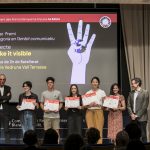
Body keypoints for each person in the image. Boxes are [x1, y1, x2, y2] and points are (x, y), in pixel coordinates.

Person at [127, 77, 149, 142]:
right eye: (132, 84)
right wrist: (131, 114)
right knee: (133, 136)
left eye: (133, 84)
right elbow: (128, 105)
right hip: (132, 118)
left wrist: (137, 115)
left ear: (138, 83)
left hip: (142, 117)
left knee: (143, 135)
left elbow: (145, 106)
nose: (132, 85)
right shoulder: (130, 93)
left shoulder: (145, 92)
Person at [85, 76, 106, 144]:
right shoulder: (88, 93)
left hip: (99, 111)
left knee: (99, 129)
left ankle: (99, 145)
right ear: (91, 83)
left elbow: (105, 104)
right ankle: (90, 145)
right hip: (89, 112)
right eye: (93, 82)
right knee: (90, 130)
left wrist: (100, 105)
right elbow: (85, 105)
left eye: (96, 82)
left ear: (98, 83)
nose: (95, 83)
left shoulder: (102, 92)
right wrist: (89, 105)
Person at [0, 74, 11, 143]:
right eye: (0, 79)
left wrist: (4, 98)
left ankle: (8, 145)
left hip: (5, 111)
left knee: (6, 129)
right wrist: (4, 98)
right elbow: (6, 98)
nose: (2, 81)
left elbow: (9, 97)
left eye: (3, 79)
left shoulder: (8, 88)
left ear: (5, 80)